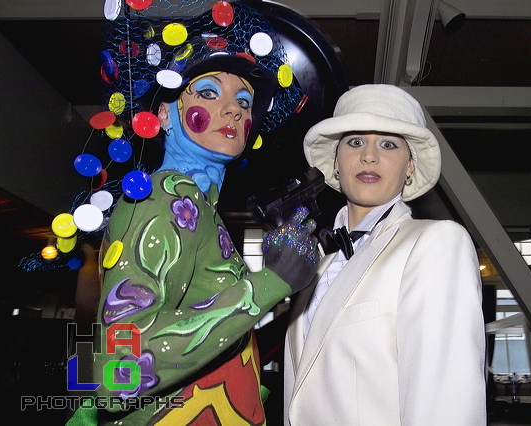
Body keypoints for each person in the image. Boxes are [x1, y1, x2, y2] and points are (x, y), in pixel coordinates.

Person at [66, 2, 320, 425]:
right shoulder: (159, 201)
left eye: (244, 101)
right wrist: (268, 283)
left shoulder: (197, 207)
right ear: (164, 114)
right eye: (208, 92)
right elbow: (119, 374)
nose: (236, 110)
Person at [283, 84, 487, 425]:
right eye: (355, 141)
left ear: (410, 166)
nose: (369, 156)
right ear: (336, 161)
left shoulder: (437, 243)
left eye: (388, 144)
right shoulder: (313, 261)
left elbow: (447, 400)